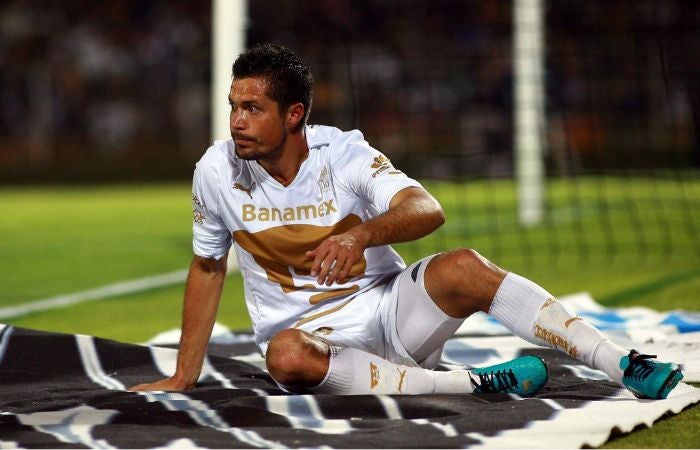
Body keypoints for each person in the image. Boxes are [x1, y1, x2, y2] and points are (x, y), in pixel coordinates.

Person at [130, 43, 683, 399]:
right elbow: (207, 268)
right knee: (284, 356)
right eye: (233, 106)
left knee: (465, 266)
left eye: (252, 109)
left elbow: (427, 209)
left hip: (391, 314)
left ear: (294, 114)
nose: (237, 122)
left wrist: (361, 233)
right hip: (312, 346)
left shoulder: (343, 154)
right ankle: (468, 385)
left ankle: (621, 364)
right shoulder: (214, 171)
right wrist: (184, 375)